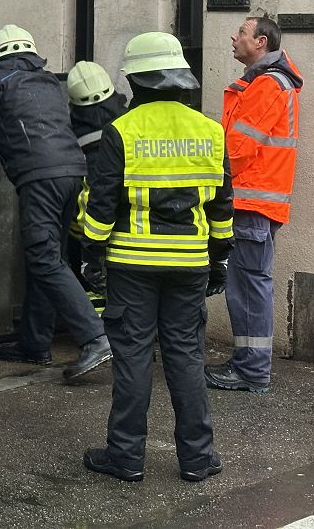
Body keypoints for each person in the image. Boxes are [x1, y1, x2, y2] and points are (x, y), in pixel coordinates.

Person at [81, 32, 234, 483]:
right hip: (190, 263)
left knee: (133, 358)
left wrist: (92, 256)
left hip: (132, 265)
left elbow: (102, 205)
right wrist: (219, 258)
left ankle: (126, 458)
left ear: (136, 80)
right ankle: (198, 459)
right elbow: (222, 207)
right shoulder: (210, 131)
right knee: (187, 356)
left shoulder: (121, 131)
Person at [0, 24, 111, 381]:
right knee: (48, 258)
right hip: (73, 174)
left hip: (40, 178)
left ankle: (95, 337)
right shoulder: (46, 83)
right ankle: (35, 342)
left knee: (44, 259)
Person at [205, 16, 302, 394]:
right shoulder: (269, 82)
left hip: (251, 202)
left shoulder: (267, 85)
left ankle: (252, 371)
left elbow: (237, 150)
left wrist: (210, 180)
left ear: (260, 42)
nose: (234, 37)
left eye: (242, 33)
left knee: (247, 287)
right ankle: (248, 364)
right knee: (247, 285)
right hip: (255, 202)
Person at [65, 60, 129, 314]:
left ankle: (100, 336)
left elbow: (87, 197)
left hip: (88, 231)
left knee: (94, 286)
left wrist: (88, 246)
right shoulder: (128, 122)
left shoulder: (74, 135)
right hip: (130, 226)